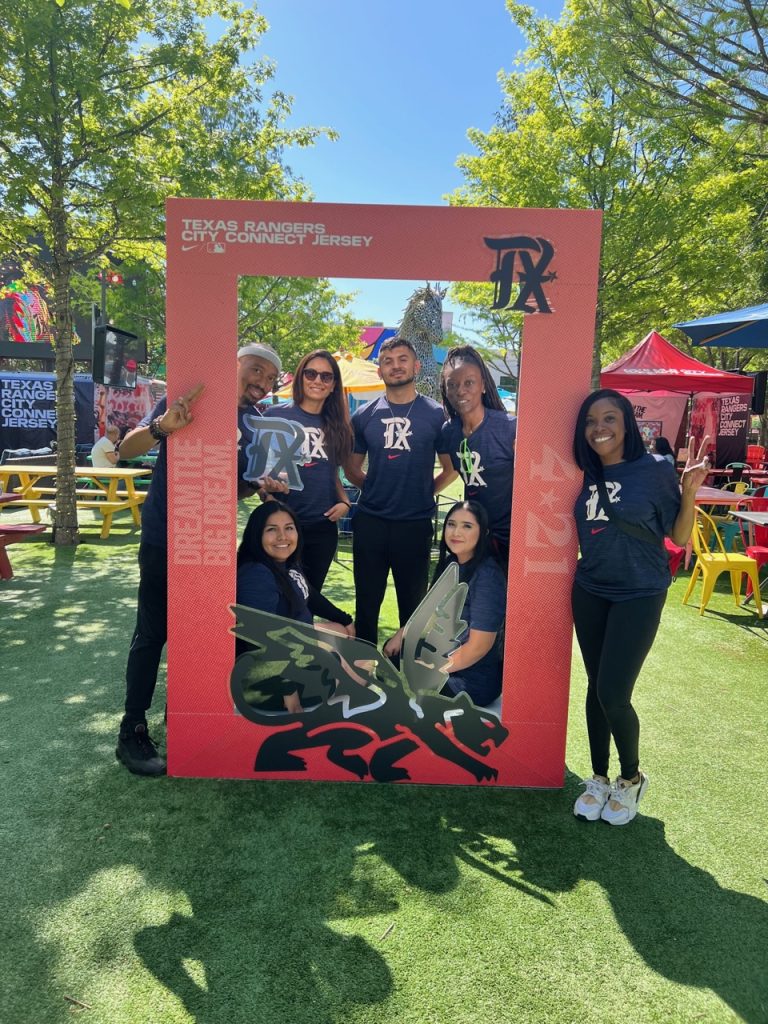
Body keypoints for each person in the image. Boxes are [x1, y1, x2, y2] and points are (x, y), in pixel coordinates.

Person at [115, 342, 283, 776]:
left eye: (270, 379)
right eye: (257, 371)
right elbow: (125, 450)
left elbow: (237, 486)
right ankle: (132, 730)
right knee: (152, 633)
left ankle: (186, 721)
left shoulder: (256, 422)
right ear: (236, 363)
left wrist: (258, 486)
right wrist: (162, 428)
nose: (262, 383)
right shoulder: (189, 397)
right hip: (165, 535)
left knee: (204, 635)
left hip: (211, 542)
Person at [571, 388, 709, 825]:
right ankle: (598, 778)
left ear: (627, 423)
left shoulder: (654, 470)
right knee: (595, 687)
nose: (599, 429)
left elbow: (680, 537)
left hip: (640, 591)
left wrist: (689, 494)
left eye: (609, 418)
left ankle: (630, 779)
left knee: (614, 692)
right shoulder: (583, 471)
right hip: (591, 587)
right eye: (592, 421)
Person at [345, 336, 456, 645]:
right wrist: (375, 488)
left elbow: (450, 470)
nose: (396, 366)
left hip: (414, 524)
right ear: (379, 370)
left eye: (402, 359)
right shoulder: (364, 415)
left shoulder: (436, 415)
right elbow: (352, 468)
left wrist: (423, 492)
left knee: (412, 607)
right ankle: (363, 672)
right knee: (366, 603)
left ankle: (404, 676)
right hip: (371, 522)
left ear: (416, 366)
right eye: (388, 361)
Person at [383, 500, 506, 707]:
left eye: (467, 526)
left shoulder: (487, 576)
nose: (456, 532)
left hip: (471, 680)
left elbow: (478, 647)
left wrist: (430, 671)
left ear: (483, 532)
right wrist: (400, 635)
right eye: (451, 524)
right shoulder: (451, 564)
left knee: (396, 687)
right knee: (383, 664)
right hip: (442, 661)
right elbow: (430, 611)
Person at [235, 502, 354, 713]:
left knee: (341, 633)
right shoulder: (256, 574)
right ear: (256, 534)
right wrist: (289, 694)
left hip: (295, 652)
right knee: (361, 666)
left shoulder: (286, 563)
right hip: (268, 683)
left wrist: (345, 619)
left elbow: (309, 593)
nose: (283, 536)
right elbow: (261, 637)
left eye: (289, 528)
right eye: (272, 530)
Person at [262, 350, 354, 590]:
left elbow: (332, 472)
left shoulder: (339, 426)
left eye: (326, 376)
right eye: (311, 373)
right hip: (280, 525)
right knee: (274, 598)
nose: (317, 381)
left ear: (334, 385)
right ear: (300, 376)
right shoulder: (274, 416)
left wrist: (345, 501)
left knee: (307, 600)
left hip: (321, 528)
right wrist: (268, 496)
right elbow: (258, 473)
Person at [440, 345, 517, 567]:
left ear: (483, 385)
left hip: (510, 540)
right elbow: (454, 473)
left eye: (469, 383)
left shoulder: (510, 428)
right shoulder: (449, 432)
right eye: (452, 385)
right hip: (473, 541)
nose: (460, 390)